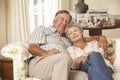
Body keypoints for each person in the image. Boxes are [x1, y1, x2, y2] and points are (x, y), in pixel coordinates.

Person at [28, 10, 108, 80]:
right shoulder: (43, 29)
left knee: (83, 76)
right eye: (62, 19)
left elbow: (83, 38)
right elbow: (32, 47)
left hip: (62, 67)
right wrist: (46, 53)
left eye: (67, 21)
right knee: (64, 57)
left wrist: (101, 37)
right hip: (40, 65)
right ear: (54, 21)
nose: (64, 23)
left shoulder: (68, 38)